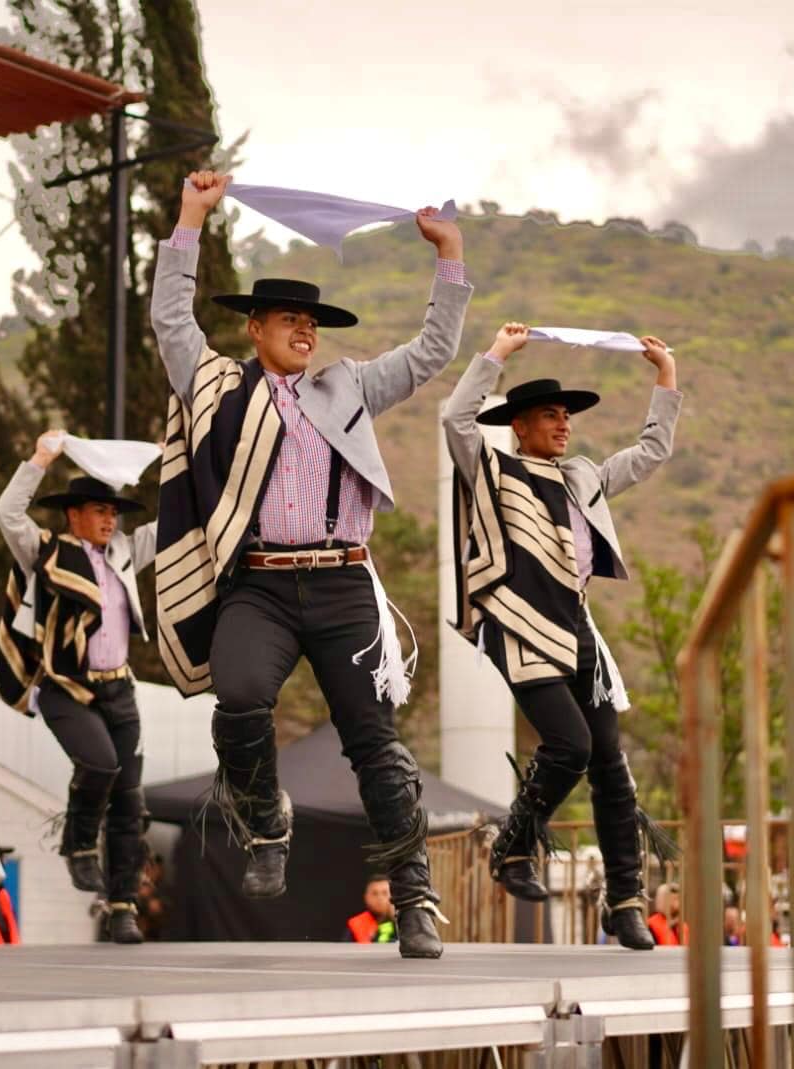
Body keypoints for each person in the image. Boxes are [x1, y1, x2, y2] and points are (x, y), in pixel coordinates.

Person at [149, 170, 471, 959]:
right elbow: (167, 319)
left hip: (341, 581)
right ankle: (265, 820)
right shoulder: (218, 386)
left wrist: (450, 256)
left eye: (311, 321)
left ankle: (415, 896)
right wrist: (191, 214)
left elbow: (433, 351)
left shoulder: (349, 386)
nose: (304, 329)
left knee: (374, 740)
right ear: (254, 329)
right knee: (242, 698)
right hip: (258, 582)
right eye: (289, 318)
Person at [442, 321, 681, 951]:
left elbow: (651, 454)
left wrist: (665, 379)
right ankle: (513, 845)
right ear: (519, 425)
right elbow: (455, 420)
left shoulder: (582, 478)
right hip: (521, 624)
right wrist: (496, 354)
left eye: (565, 416)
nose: (562, 424)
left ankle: (625, 901)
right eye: (549, 415)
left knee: (612, 767)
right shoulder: (492, 469)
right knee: (569, 744)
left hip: (576, 629)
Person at [0, 434, 156, 945]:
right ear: (74, 516)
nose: (110, 521)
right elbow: (7, 514)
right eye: (99, 511)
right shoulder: (43, 552)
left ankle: (123, 906)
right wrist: (41, 458)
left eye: (113, 512)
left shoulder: (125, 553)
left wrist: (192, 460)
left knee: (130, 800)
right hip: (65, 685)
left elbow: (176, 528)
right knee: (101, 764)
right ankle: (79, 841)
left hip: (119, 689)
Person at [346, 876, 398, 944]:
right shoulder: (355, 924)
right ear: (366, 897)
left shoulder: (402, 923)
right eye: (374, 893)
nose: (380, 898)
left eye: (385, 893)